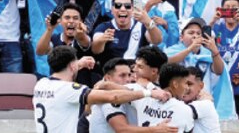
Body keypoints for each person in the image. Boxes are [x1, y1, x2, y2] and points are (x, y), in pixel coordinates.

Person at [33, 45, 173, 133]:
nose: (133, 72)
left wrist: (78, 64)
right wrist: (149, 93)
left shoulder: (41, 84)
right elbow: (113, 97)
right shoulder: (70, 90)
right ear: (72, 66)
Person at [90, 0, 163, 67]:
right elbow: (95, 50)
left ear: (132, 10)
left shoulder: (140, 25)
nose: (122, 9)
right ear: (112, 10)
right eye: (118, 6)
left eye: (127, 6)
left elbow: (157, 40)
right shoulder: (103, 27)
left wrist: (149, 22)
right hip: (111, 71)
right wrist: (102, 39)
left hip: (136, 71)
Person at [209, 0, 239, 117]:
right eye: (227, 8)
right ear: (221, 9)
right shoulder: (217, 27)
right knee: (216, 112)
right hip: (219, 77)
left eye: (234, 8)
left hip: (238, 79)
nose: (230, 11)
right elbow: (204, 37)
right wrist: (212, 20)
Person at [130, 64, 196, 132]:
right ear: (175, 84)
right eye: (185, 83)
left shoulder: (143, 98)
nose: (187, 88)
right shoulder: (184, 109)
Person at [163, 19, 224, 94]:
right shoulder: (172, 50)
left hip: (201, 98)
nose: (195, 36)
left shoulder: (207, 53)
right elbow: (166, 61)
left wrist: (215, 52)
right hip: (177, 97)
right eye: (191, 33)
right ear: (181, 37)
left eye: (199, 33)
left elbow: (219, 71)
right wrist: (190, 49)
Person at [182, 68, 222, 133]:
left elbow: (178, 114)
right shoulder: (182, 104)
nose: (185, 88)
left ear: (201, 86)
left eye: (189, 84)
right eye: (182, 84)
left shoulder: (205, 104)